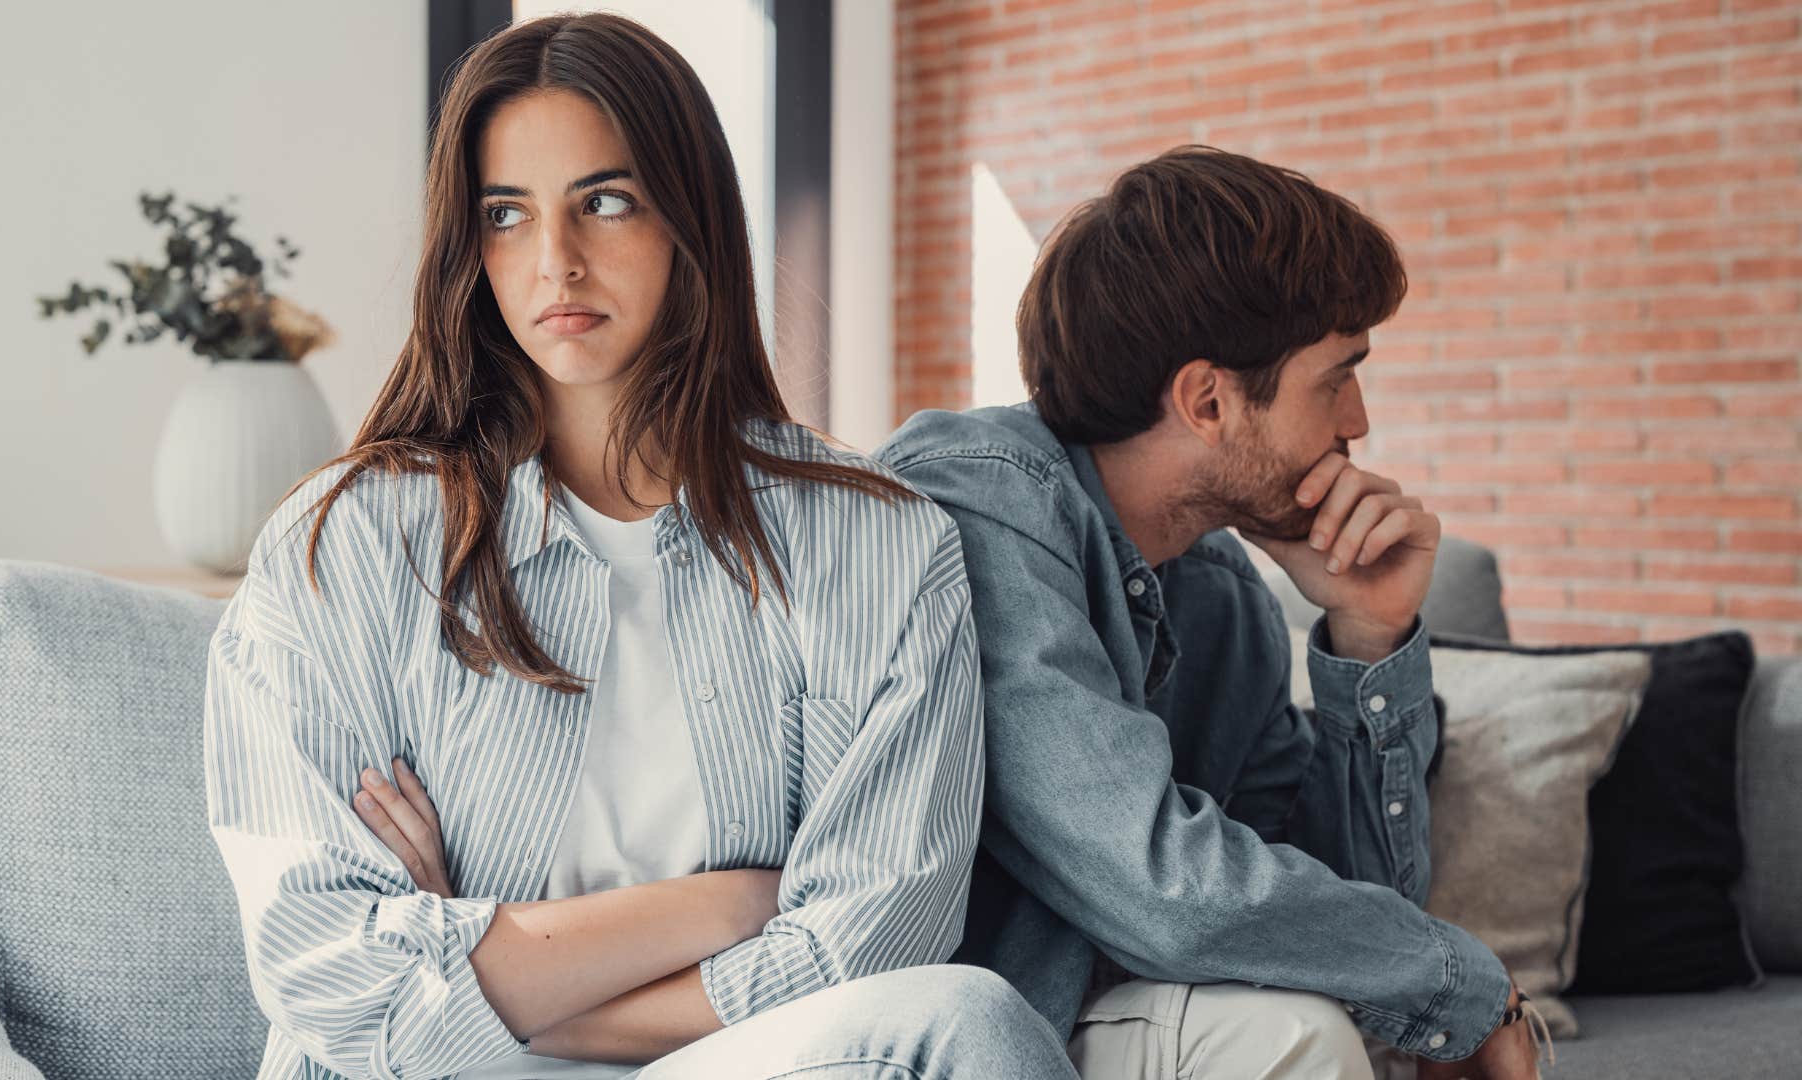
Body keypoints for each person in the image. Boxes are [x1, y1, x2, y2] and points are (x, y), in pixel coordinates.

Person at [202, 14, 1077, 1080]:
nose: (555, 262)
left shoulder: (883, 543)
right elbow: (330, 979)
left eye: (604, 203)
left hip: (736, 1060)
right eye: (506, 215)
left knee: (967, 1020)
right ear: (467, 246)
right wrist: (730, 902)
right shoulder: (341, 546)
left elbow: (872, 941)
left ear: (687, 218)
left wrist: (507, 973)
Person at [875, 146, 1540, 1080]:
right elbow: (1166, 887)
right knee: (1295, 1039)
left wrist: (1368, 635)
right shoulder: (981, 505)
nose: (1358, 420)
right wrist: (1464, 986)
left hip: (1098, 1010)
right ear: (1208, 400)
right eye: (1336, 377)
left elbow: (1335, 919)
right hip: (946, 1029)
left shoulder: (1219, 590)